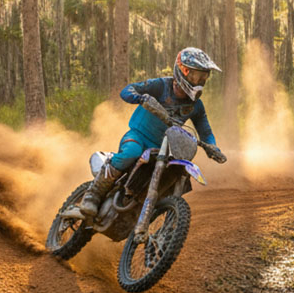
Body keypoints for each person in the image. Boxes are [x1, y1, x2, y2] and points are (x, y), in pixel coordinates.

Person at [79, 47, 228, 218]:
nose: (199, 82)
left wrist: (213, 147)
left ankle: (157, 216)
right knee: (131, 153)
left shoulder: (196, 106)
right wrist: (140, 97)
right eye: (195, 76)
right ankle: (93, 194)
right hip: (138, 137)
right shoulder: (161, 86)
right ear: (182, 70)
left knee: (176, 173)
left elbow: (205, 131)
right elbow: (126, 90)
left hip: (164, 149)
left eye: (203, 77)